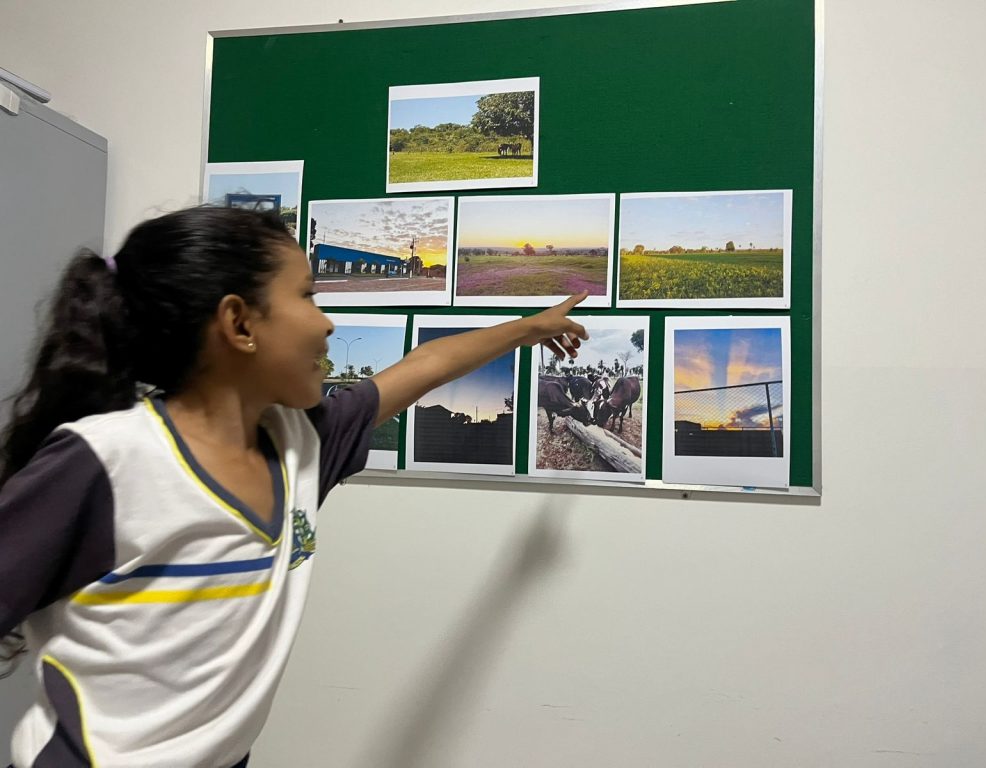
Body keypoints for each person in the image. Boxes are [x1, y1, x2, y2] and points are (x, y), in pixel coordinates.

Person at [0, 205, 588, 767]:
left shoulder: (301, 443)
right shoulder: (109, 461)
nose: (327, 321)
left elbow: (427, 364)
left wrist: (530, 328)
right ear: (239, 322)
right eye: (307, 295)